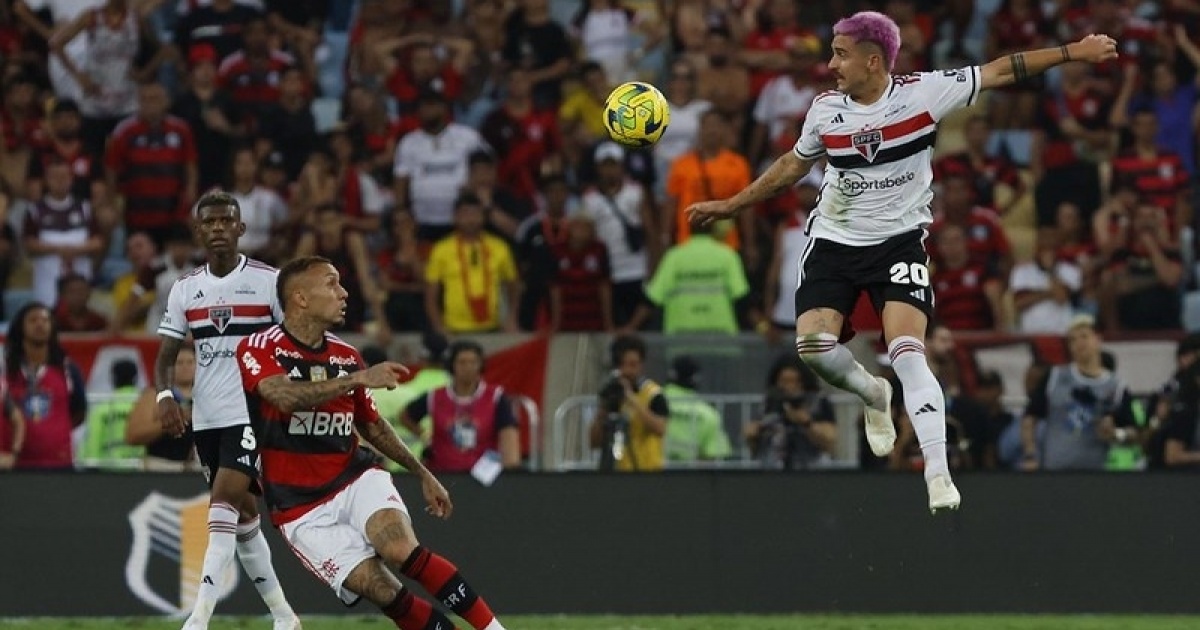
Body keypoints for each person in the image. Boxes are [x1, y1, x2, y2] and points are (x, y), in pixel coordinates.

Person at [686, 10, 1119, 512]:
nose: (830, 65)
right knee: (812, 348)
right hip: (834, 241)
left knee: (909, 351)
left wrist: (1074, 51)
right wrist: (732, 204)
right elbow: (792, 165)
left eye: (840, 54)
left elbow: (1003, 69)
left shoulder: (924, 93)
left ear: (873, 62)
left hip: (899, 243)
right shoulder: (826, 110)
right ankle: (873, 394)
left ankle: (938, 471)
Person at [237, 256, 508, 630]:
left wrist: (422, 472)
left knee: (400, 549)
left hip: (354, 478)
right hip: (299, 508)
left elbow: (373, 427)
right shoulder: (258, 347)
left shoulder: (347, 356)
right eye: (331, 284)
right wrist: (359, 379)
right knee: (384, 592)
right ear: (299, 298)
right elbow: (284, 397)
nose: (343, 293)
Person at [152, 191, 299, 630]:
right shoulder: (185, 288)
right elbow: (165, 356)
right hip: (208, 417)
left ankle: (198, 619)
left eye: (225, 221)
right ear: (199, 231)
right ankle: (285, 617)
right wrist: (165, 397)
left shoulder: (269, 281)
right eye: (209, 222)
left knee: (222, 503)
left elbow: (293, 343)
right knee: (245, 518)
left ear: (241, 228)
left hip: (252, 413)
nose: (217, 228)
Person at [398, 339, 523, 474]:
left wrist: (510, 467)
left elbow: (509, 433)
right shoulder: (436, 396)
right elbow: (406, 416)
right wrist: (424, 436)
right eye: (462, 362)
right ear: (452, 365)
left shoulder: (495, 397)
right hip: (443, 472)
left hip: (482, 474)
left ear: (481, 366)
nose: (468, 368)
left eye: (473, 362)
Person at [126, 344, 199, 472]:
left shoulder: (207, 395)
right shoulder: (153, 396)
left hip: (198, 467)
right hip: (160, 465)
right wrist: (170, 420)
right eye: (179, 363)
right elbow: (133, 436)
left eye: (190, 362)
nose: (185, 367)